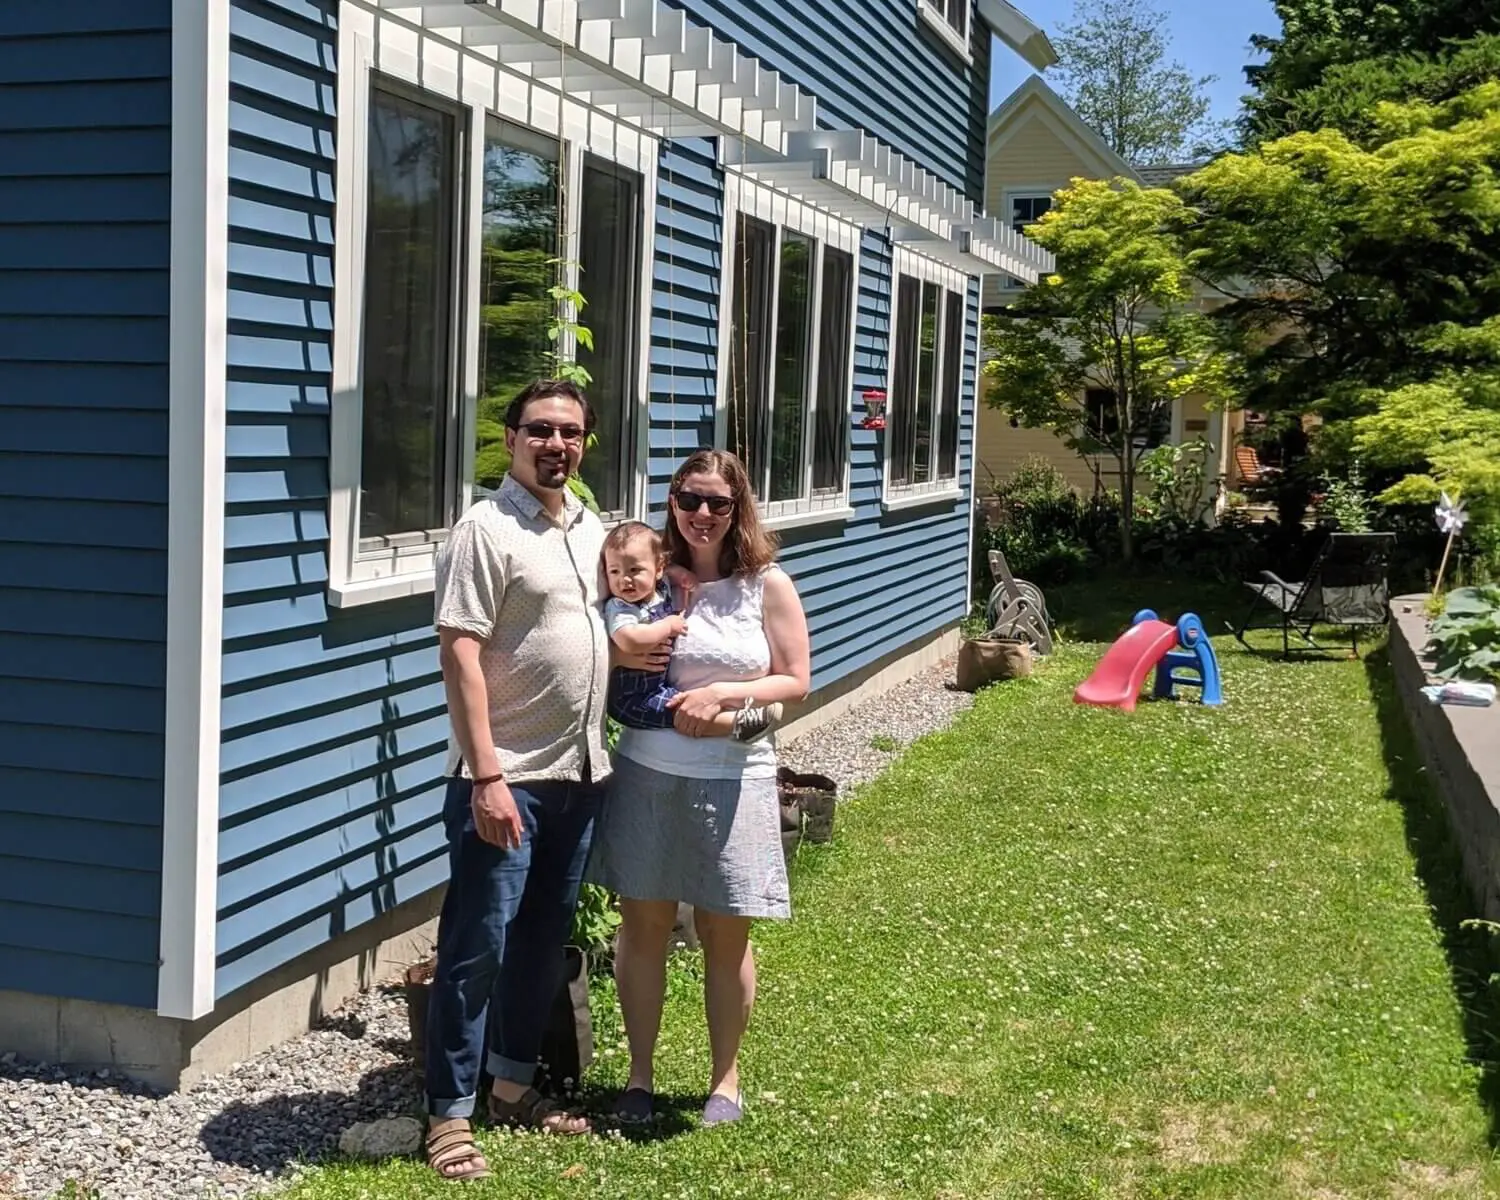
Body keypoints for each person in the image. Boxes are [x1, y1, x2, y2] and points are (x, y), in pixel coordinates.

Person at [586, 449, 812, 1128]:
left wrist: (724, 697)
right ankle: (640, 1078)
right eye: (690, 500)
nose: (703, 515)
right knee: (644, 925)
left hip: (735, 777)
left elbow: (794, 680)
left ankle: (725, 1082)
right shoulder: (648, 582)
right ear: (673, 503)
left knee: (725, 930)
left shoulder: (766, 584)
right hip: (648, 774)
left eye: (718, 502)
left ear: (738, 507)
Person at [423, 380, 609, 1182]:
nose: (555, 445)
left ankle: (510, 1085)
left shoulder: (590, 527)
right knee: (476, 950)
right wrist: (487, 776)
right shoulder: (485, 529)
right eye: (540, 430)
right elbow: (459, 651)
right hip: (507, 781)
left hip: (580, 776)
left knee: (540, 942)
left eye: (570, 433)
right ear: (510, 439)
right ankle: (448, 1115)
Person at [601, 520, 782, 742]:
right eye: (614, 571)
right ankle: (735, 724)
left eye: (634, 570)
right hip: (633, 697)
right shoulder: (622, 607)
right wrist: (667, 626)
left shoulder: (658, 589)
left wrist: (678, 573)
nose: (624, 579)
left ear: (658, 569)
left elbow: (666, 572)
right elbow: (630, 640)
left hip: (657, 687)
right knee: (682, 711)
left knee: (690, 704)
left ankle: (736, 717)